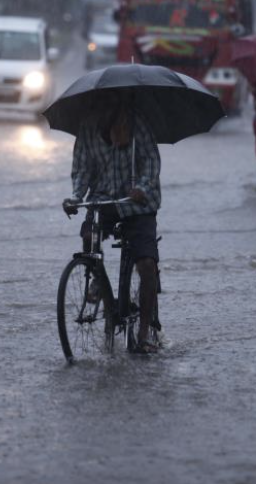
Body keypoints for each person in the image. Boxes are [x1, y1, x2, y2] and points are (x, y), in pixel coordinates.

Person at [62, 94, 162, 353]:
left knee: (147, 264)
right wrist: (75, 197)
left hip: (137, 204)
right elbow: (81, 169)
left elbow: (151, 162)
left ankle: (142, 334)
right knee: (89, 239)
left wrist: (141, 187)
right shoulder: (87, 128)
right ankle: (101, 286)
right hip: (103, 200)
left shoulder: (136, 123)